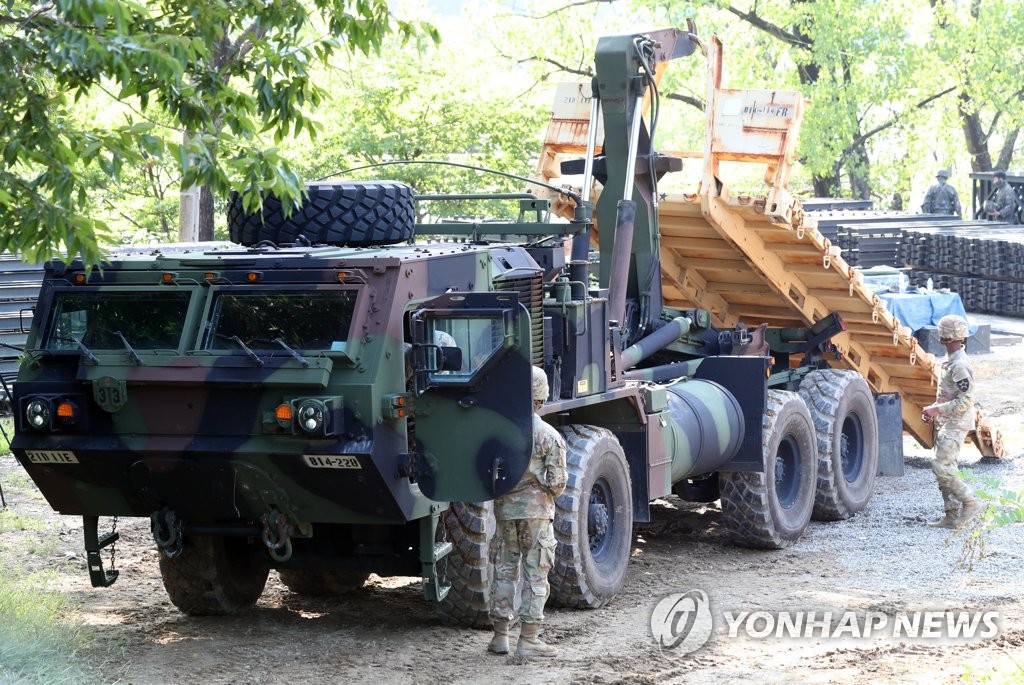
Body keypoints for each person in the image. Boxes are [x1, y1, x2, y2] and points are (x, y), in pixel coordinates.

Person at [488, 366, 567, 658]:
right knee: (535, 575)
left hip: (504, 512)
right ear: (541, 398)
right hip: (536, 514)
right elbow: (557, 484)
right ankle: (529, 639)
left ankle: (500, 637)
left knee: (505, 571)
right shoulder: (550, 436)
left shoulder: (498, 433)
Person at [921, 315, 983, 529]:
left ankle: (970, 501)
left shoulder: (959, 365)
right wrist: (934, 410)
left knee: (941, 466)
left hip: (956, 423)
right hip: (947, 421)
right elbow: (949, 395)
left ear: (944, 337)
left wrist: (937, 409)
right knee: (947, 468)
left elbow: (965, 401)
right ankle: (951, 516)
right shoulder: (951, 361)